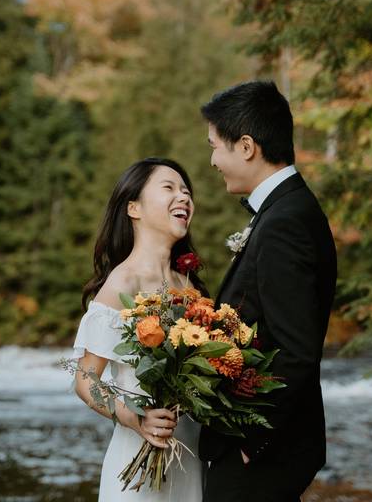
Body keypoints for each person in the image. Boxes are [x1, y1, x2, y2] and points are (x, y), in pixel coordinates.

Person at [198, 81, 337, 502]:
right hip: (266, 450)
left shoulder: (285, 222)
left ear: (245, 146)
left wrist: (250, 443)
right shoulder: (285, 210)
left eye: (214, 146)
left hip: (262, 453)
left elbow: (296, 349)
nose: (213, 161)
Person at [72, 157, 205, 501]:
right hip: (138, 458)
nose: (184, 198)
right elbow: (86, 381)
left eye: (186, 191)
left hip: (191, 455)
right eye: (169, 188)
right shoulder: (122, 283)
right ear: (134, 208)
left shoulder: (191, 286)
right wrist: (136, 418)